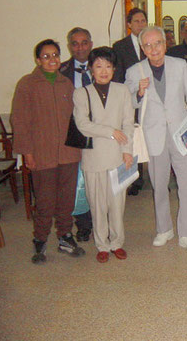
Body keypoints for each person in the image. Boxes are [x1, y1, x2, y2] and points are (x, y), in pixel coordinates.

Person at [125, 26, 187, 253]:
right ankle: (164, 229)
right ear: (142, 48)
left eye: (157, 43)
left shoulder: (179, 65)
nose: (154, 48)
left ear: (165, 43)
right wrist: (138, 93)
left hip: (182, 134)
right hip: (154, 136)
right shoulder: (135, 71)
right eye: (148, 45)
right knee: (159, 186)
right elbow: (128, 103)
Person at [11, 39, 85, 264]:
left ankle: (64, 236)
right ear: (38, 60)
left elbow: (77, 117)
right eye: (46, 56)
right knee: (45, 201)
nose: (52, 60)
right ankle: (40, 240)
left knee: (66, 199)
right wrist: (27, 153)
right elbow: (20, 121)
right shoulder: (27, 84)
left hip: (68, 153)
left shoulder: (66, 84)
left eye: (55, 55)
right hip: (41, 154)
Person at [73, 47, 134, 263]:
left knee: (117, 204)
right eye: (98, 66)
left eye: (108, 66)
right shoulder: (81, 93)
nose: (103, 70)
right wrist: (111, 132)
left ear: (114, 69)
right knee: (97, 204)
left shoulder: (122, 90)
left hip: (118, 155)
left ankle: (117, 242)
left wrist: (128, 151)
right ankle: (102, 244)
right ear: (90, 69)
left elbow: (128, 123)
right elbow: (82, 125)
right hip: (93, 157)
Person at [60, 27, 94, 242]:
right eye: (75, 43)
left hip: (101, 132)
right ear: (70, 46)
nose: (80, 47)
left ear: (90, 43)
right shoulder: (61, 71)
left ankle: (104, 220)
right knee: (79, 182)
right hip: (74, 134)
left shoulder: (102, 64)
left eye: (84, 42)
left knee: (101, 179)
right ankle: (84, 224)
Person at [113, 8, 148, 196]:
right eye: (136, 21)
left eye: (143, 21)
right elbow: (118, 76)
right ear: (129, 24)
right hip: (131, 97)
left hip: (150, 100)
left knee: (151, 137)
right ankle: (136, 178)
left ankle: (156, 176)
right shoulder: (120, 46)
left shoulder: (151, 41)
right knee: (133, 139)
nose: (140, 24)